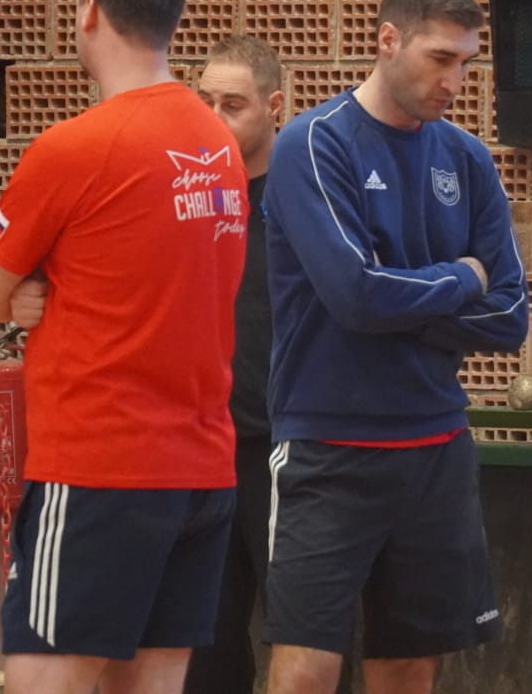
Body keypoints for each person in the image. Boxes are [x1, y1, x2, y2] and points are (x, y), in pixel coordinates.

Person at [0, 0, 249, 694]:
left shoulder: (74, 147)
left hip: (100, 469)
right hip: (201, 470)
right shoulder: (218, 142)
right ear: (172, 15)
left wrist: (33, 287)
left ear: (87, 10)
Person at [261, 0, 530, 694]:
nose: (454, 81)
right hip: (328, 447)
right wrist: (461, 278)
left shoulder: (468, 160)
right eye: (440, 58)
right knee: (305, 670)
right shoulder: (314, 144)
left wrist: (401, 303)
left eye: (466, 64)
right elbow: (355, 296)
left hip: (435, 447)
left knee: (410, 666)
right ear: (388, 40)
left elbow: (509, 316)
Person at [182, 34, 286, 694]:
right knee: (206, 651)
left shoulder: (303, 201)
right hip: (202, 450)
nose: (214, 118)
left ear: (274, 108)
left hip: (284, 451)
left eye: (233, 105)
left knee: (303, 643)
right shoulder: (184, 202)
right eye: (205, 102)